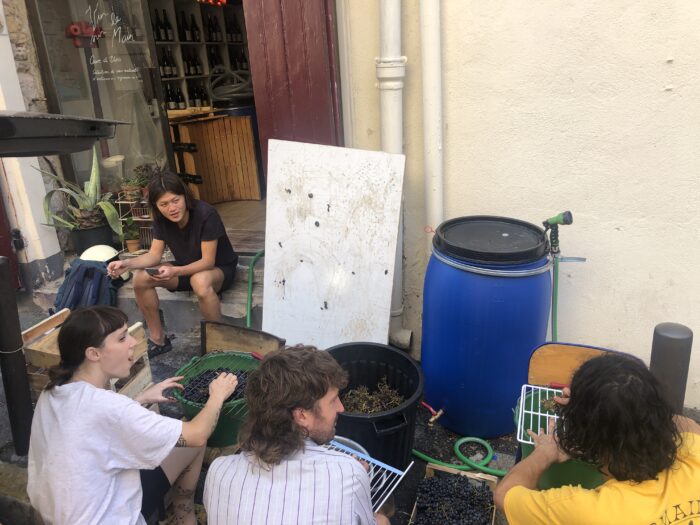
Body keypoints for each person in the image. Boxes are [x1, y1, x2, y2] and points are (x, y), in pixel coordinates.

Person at [27, 306, 238, 525]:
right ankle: (185, 517)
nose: (133, 342)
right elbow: (197, 434)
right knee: (193, 444)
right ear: (93, 353)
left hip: (55, 516)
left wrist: (139, 400)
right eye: (121, 338)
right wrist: (218, 393)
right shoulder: (111, 408)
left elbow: (96, 426)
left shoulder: (53, 391)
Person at [494, 352, 700, 525]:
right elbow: (688, 425)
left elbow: (504, 495)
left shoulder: (590, 512)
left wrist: (544, 453)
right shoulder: (694, 456)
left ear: (591, 441)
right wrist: (605, 404)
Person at [203, 346, 391, 525]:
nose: (341, 408)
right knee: (381, 520)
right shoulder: (349, 473)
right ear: (301, 415)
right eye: (333, 400)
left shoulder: (218, 471)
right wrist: (351, 476)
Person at [107, 171, 238, 357]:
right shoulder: (161, 220)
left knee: (199, 281)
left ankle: (218, 346)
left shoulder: (206, 214)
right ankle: (158, 340)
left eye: (175, 200)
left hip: (217, 270)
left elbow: (208, 261)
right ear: (156, 206)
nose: (171, 208)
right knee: (141, 278)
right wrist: (127, 263)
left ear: (185, 195)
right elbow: (154, 255)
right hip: (184, 269)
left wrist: (175, 270)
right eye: (164, 204)